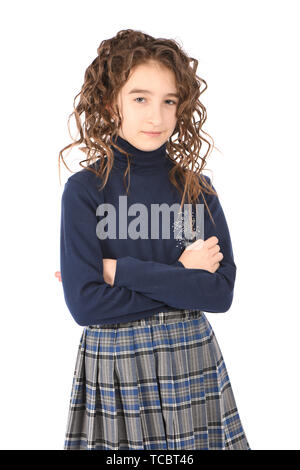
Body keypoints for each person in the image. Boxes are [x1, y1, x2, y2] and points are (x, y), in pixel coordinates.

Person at [57, 29, 251, 450]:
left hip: (191, 358)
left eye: (169, 101)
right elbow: (86, 304)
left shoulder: (196, 189)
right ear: (113, 103)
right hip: (117, 366)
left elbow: (219, 294)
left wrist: (119, 271)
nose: (157, 117)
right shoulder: (86, 190)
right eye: (140, 98)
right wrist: (182, 275)